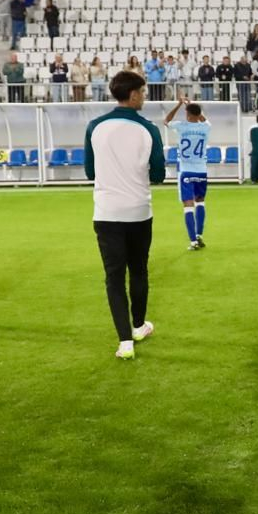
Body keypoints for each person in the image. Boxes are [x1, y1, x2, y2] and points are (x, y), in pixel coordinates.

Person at [85, 70, 165, 360]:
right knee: (139, 270)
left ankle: (125, 342)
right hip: (139, 211)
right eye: (142, 92)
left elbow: (90, 171)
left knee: (114, 277)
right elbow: (158, 174)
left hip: (107, 212)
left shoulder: (94, 127)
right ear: (132, 95)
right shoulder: (149, 129)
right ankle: (139, 325)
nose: (144, 97)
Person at [163, 98, 211, 251]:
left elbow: (166, 121)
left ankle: (193, 241)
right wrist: (192, 107)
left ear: (187, 114)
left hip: (186, 170)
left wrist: (179, 104)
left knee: (188, 205)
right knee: (200, 202)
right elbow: (203, 119)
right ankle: (199, 235)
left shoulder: (181, 126)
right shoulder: (206, 127)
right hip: (201, 171)